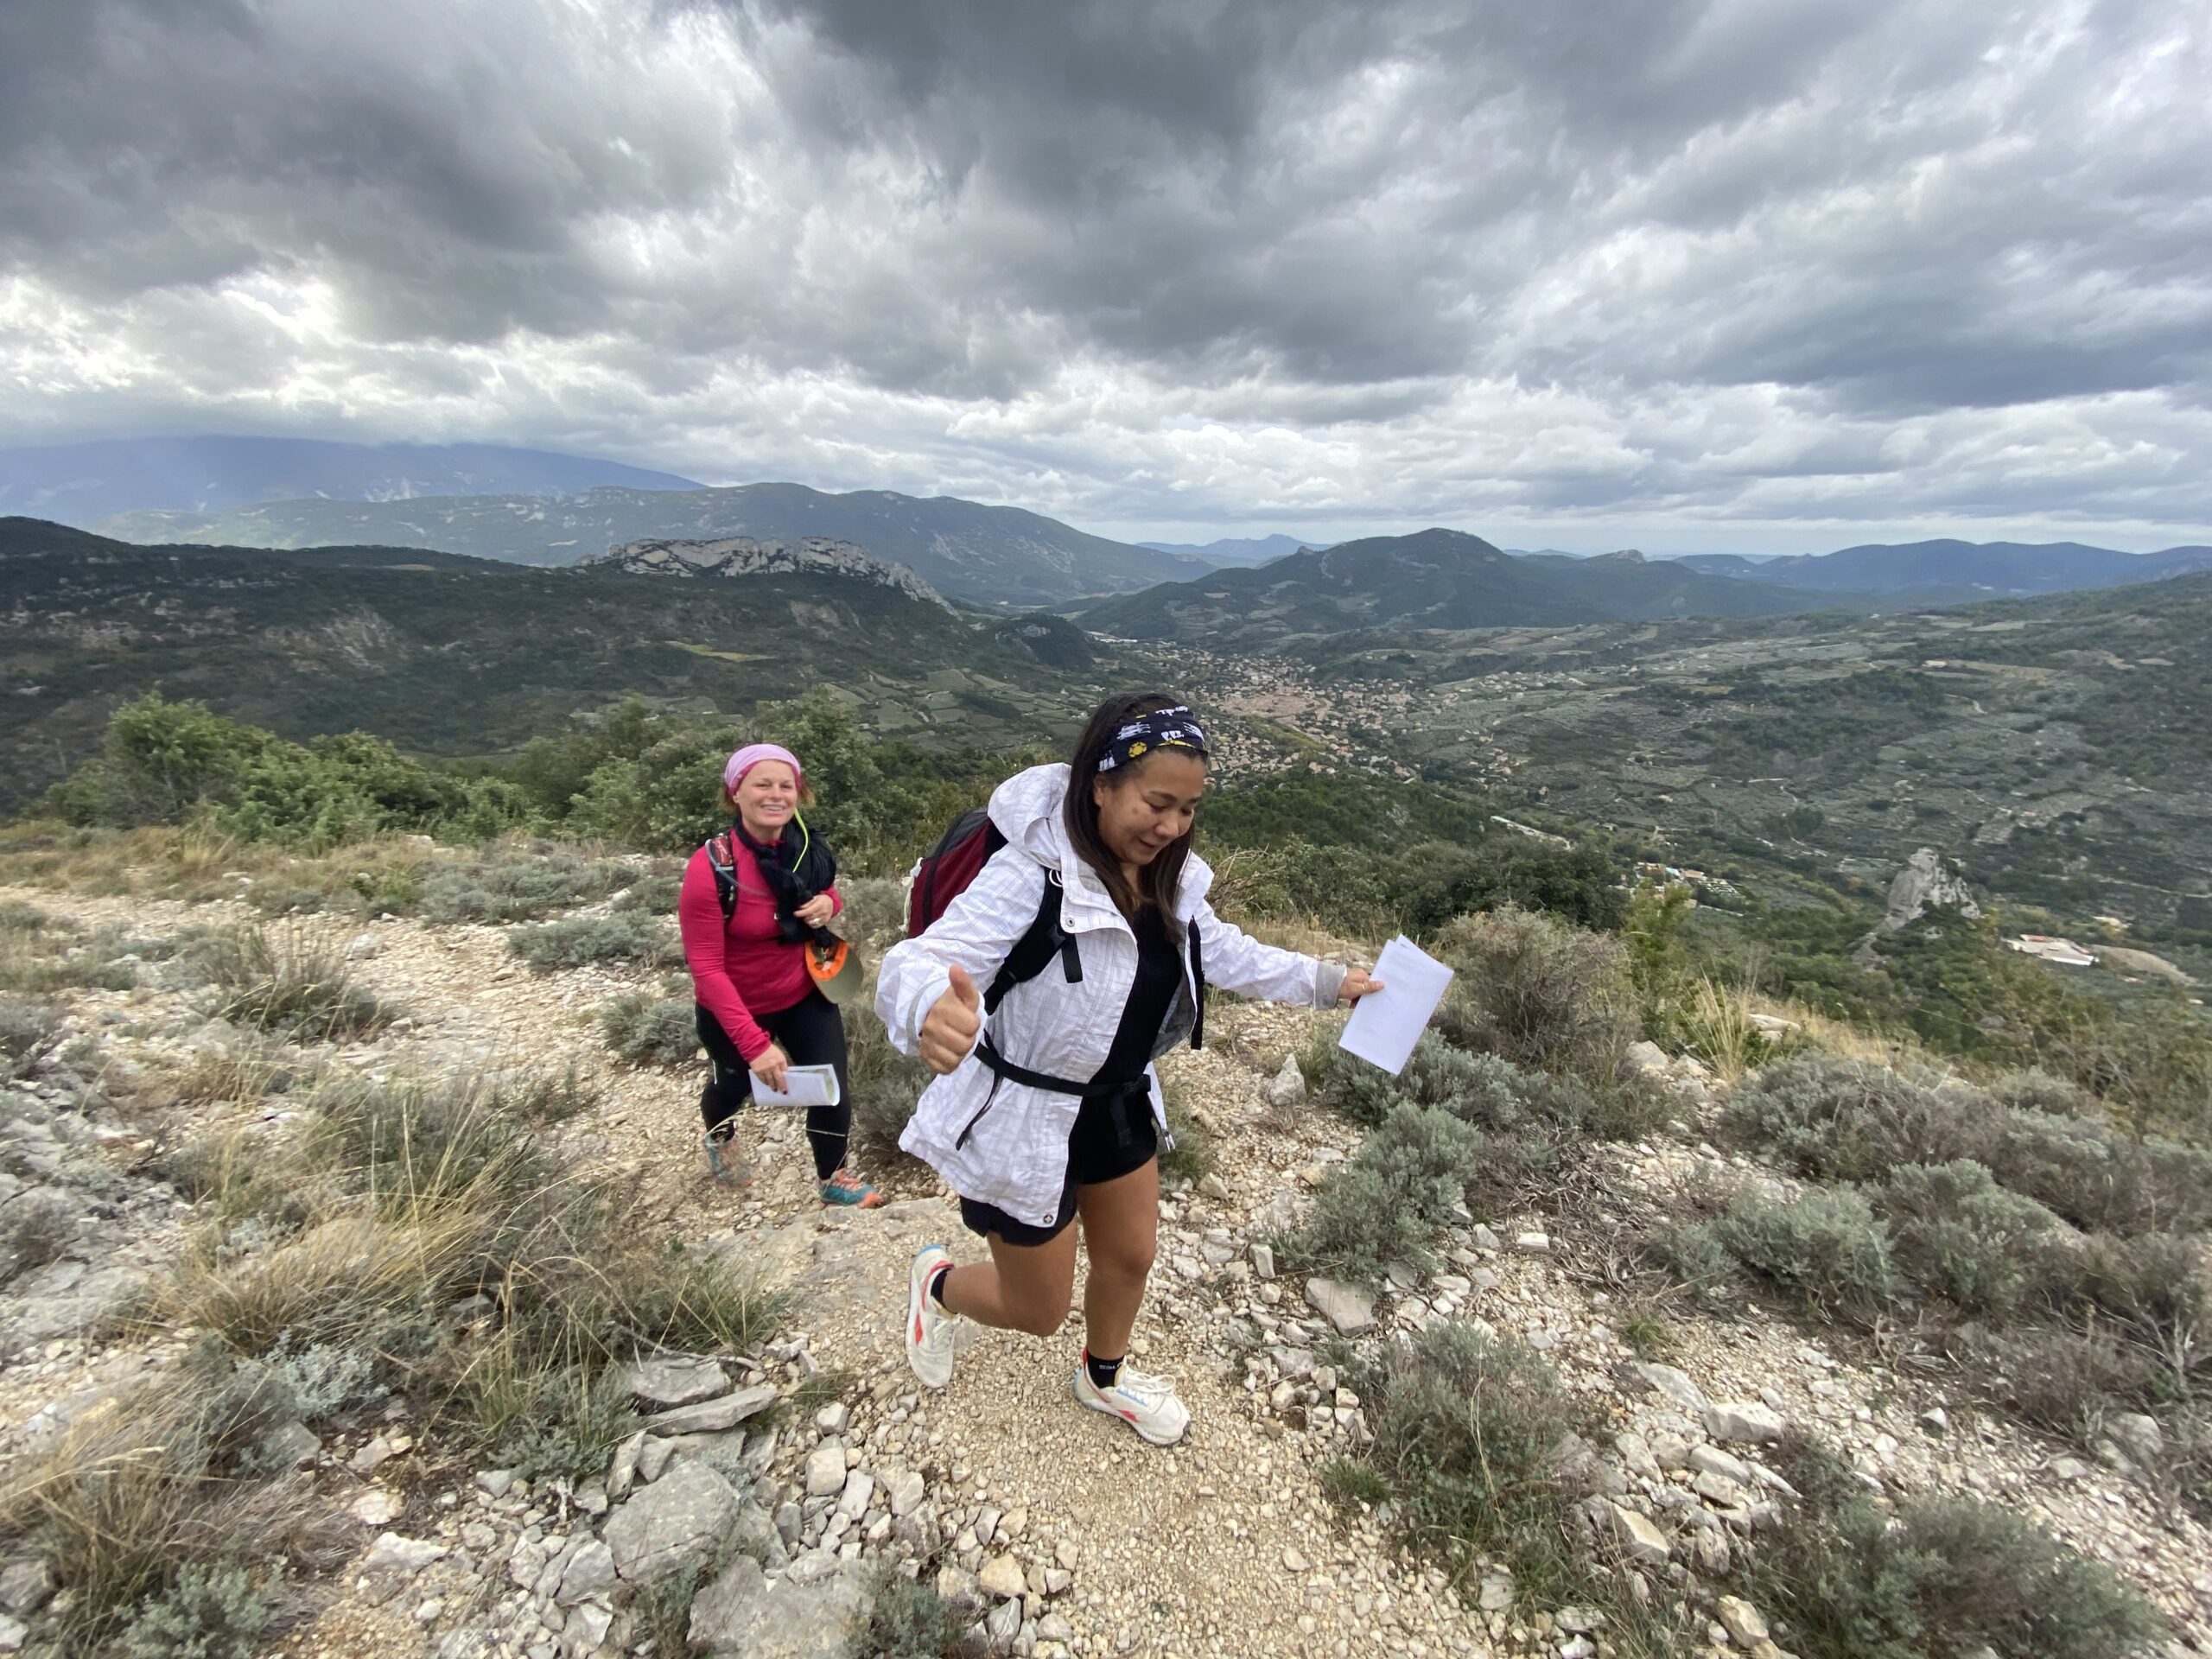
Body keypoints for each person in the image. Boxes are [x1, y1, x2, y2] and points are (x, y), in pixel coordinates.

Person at [874, 693, 1382, 1443]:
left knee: (1131, 1257)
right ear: (1100, 786)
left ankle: (1103, 1376)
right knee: (1038, 1310)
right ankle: (940, 1286)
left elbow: (1222, 950)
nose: (1172, 826)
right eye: (1157, 804)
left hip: (1117, 1100)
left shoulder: (1170, 878)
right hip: (1026, 1115)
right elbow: (918, 961)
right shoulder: (1032, 876)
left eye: (1189, 809)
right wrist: (927, 1005)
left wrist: (1327, 982)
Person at [680, 741, 881, 1207]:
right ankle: (720, 1137)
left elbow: (824, 889)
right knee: (731, 1086)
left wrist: (829, 902)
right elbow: (706, 968)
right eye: (762, 784)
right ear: (736, 792)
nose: (776, 795)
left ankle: (833, 1176)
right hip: (735, 1005)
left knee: (831, 1085)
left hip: (802, 991)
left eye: (786, 786)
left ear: (798, 793)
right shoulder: (711, 868)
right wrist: (754, 1045)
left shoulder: (804, 848)